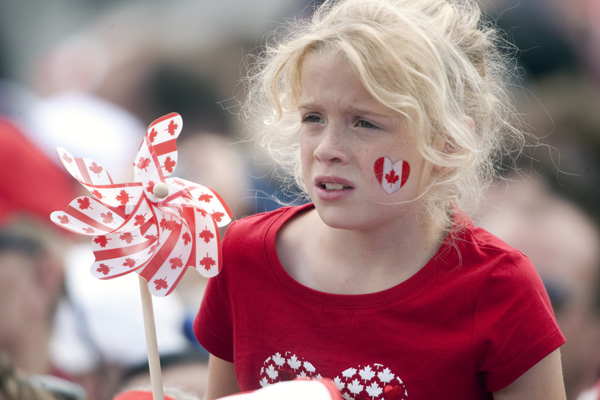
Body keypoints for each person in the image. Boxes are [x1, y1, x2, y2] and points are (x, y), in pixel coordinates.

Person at [194, 0, 566, 399]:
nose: (326, 149)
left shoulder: (498, 287)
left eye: (365, 122)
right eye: (313, 118)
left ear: (449, 143)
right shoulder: (241, 255)